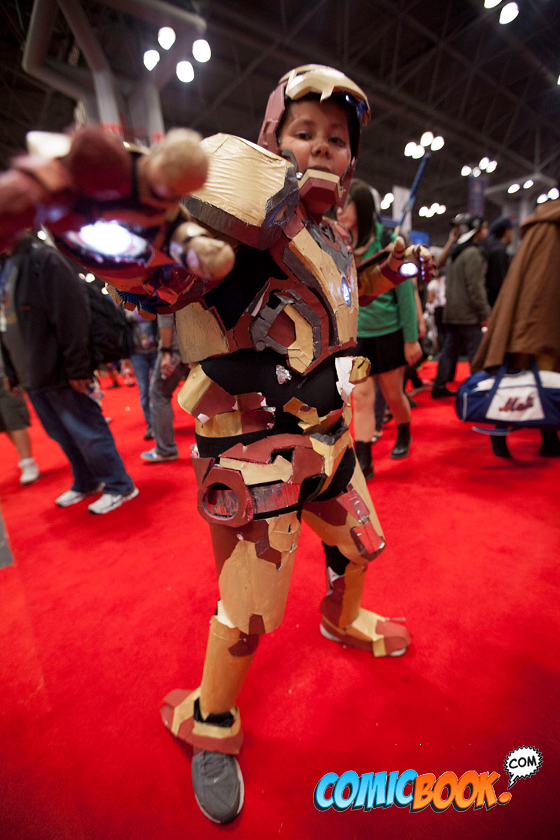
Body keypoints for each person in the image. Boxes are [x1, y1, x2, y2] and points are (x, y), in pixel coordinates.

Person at [0, 66, 431, 824]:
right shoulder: (249, 195)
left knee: (360, 547)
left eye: (336, 139)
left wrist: (377, 269)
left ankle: (340, 617)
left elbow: (325, 293)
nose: (322, 147)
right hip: (254, 450)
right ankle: (211, 720)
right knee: (250, 611)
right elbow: (168, 257)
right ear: (273, 135)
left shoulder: (329, 227)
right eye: (305, 132)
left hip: (327, 438)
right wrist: (114, 210)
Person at [0, 233, 138, 514]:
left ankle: (119, 484)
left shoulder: (43, 258)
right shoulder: (9, 265)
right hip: (33, 372)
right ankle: (86, 481)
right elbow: (6, 325)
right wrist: (13, 372)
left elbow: (72, 315)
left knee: (87, 431)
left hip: (60, 369)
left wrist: (78, 366)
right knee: (61, 434)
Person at [337, 178, 422, 476]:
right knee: (360, 397)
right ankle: (365, 458)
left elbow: (406, 296)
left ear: (360, 207)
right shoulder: (339, 244)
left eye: (345, 203)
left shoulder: (388, 243)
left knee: (393, 394)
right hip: (356, 337)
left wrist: (411, 339)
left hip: (389, 332)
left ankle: (404, 432)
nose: (340, 209)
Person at [472, 197, 560, 458]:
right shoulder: (552, 230)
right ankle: (547, 439)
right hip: (546, 321)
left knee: (519, 377)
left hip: (523, 319)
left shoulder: (536, 230)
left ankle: (509, 433)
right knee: (544, 379)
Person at [431, 213, 491, 399]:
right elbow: (476, 288)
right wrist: (485, 313)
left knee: (449, 351)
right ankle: (479, 390)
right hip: (467, 314)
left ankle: (439, 386)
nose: (486, 232)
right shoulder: (472, 253)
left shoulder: (455, 254)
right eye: (485, 227)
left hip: (452, 312)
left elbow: (438, 264)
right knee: (476, 353)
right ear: (476, 229)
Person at [140, 313, 189, 463]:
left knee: (159, 394)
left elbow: (166, 315)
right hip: (194, 344)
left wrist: (166, 351)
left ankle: (165, 449)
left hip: (175, 349)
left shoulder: (166, 290)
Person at [0, 344, 39, 486]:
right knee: (3, 423)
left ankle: (27, 461)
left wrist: (11, 374)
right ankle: (23, 453)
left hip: (4, 376)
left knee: (14, 416)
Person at [128, 308, 158, 440]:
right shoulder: (123, 304)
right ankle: (152, 425)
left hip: (156, 349)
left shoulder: (150, 298)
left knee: (159, 389)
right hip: (137, 354)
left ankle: (163, 423)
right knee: (144, 390)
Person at [483, 216, 513, 308]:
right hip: (496, 304)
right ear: (507, 232)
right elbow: (499, 283)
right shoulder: (499, 251)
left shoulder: (490, 248)